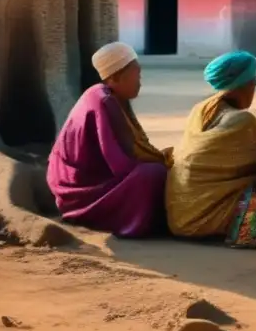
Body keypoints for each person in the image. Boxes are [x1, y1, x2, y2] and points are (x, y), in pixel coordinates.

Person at [47, 42, 170, 238]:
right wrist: (161, 163)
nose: (140, 81)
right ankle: (134, 223)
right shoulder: (105, 102)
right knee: (154, 174)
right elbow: (120, 165)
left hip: (80, 181)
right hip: (79, 191)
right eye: (136, 75)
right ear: (115, 77)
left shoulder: (111, 96)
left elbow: (135, 144)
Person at [165, 51, 256, 247]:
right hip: (202, 221)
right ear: (241, 85)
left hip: (179, 217)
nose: (255, 87)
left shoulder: (199, 109)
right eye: (253, 81)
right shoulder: (243, 121)